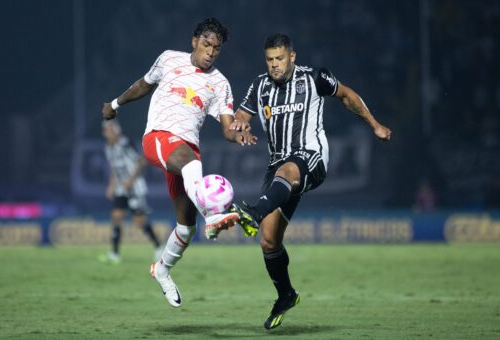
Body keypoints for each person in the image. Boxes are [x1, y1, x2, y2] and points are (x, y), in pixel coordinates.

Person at [229, 33, 392, 330]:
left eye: (279, 58)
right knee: (268, 240)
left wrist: (375, 124)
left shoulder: (315, 78)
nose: (274, 65)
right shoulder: (259, 85)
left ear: (292, 56)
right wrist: (239, 125)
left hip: (311, 157)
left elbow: (348, 96)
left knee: (286, 173)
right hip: (278, 165)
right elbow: (241, 114)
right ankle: (286, 295)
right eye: (269, 60)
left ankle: (253, 211)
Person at [101, 17, 253, 308]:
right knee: (189, 166)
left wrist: (238, 131)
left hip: (187, 155)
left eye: (217, 48)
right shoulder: (169, 59)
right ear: (194, 41)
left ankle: (162, 269)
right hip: (159, 138)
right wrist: (115, 105)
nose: (211, 52)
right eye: (207, 44)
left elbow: (226, 127)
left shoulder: (219, 83)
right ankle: (214, 216)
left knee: (185, 228)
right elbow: (143, 85)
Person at [101, 120, 164, 264]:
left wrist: (131, 179)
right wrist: (111, 185)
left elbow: (141, 161)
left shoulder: (125, 144)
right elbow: (113, 168)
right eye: (105, 131)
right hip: (121, 188)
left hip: (135, 188)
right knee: (116, 216)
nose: (106, 133)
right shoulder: (108, 148)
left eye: (109, 130)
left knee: (139, 222)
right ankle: (115, 254)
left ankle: (158, 246)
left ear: (116, 130)